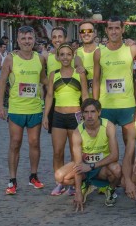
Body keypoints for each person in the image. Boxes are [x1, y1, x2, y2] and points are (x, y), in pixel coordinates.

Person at [0, 25, 48, 195]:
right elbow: (2, 82)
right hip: (17, 109)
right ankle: (12, 180)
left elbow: (44, 80)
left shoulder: (40, 59)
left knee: (34, 143)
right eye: (23, 39)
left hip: (35, 108)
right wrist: (0, 105)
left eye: (30, 38)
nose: (27, 41)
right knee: (15, 143)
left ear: (34, 40)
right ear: (17, 40)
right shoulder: (10, 58)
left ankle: (33, 176)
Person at [55, 98, 121, 211]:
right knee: (59, 176)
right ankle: (84, 185)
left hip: (101, 167)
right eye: (86, 112)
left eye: (93, 112)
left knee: (117, 170)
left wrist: (91, 166)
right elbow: (78, 163)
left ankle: (110, 189)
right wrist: (78, 192)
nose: (89, 116)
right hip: (84, 167)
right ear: (82, 114)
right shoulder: (77, 132)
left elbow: (115, 156)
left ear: (99, 112)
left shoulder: (108, 126)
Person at [93, 16, 136, 146]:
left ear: (122, 29)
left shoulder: (131, 49)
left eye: (117, 28)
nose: (114, 31)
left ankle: (129, 167)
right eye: (110, 28)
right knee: (104, 144)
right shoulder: (99, 53)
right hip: (106, 105)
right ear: (106, 30)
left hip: (127, 105)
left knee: (129, 143)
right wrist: (95, 104)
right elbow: (95, 80)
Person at [42, 43, 88, 196]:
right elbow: (49, 96)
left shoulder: (79, 73)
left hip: (76, 117)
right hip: (58, 117)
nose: (65, 57)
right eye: (62, 54)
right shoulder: (53, 74)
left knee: (75, 153)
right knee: (57, 152)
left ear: (73, 56)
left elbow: (85, 96)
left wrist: (88, 115)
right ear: (58, 57)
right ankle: (60, 183)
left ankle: (75, 183)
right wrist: (45, 116)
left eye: (69, 54)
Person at [76, 20, 99, 97]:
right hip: (84, 101)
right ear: (80, 34)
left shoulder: (103, 51)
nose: (86, 33)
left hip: (103, 101)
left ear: (95, 33)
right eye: (82, 31)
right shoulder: (75, 53)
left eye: (89, 31)